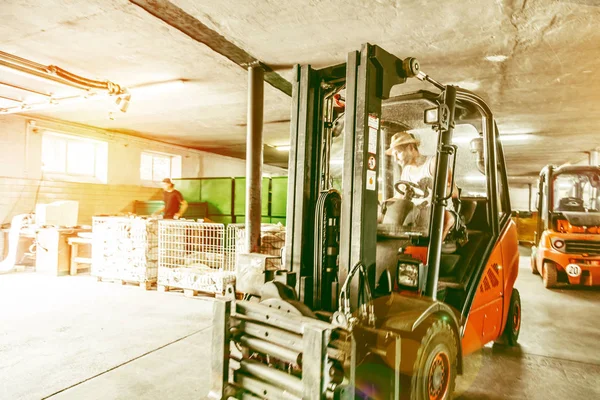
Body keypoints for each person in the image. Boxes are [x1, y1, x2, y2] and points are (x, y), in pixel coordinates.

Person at [384, 130, 457, 240]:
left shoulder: (433, 163)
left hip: (436, 212)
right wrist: (385, 204)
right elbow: (399, 197)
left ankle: (432, 251)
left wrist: (432, 185)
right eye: (394, 155)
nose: (395, 159)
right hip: (415, 215)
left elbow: (454, 192)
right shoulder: (406, 170)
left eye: (398, 153)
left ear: (410, 147)